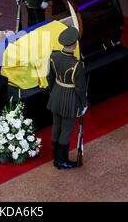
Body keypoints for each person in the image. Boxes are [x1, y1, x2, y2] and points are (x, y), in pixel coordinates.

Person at [47, 26, 87, 170]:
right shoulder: (77, 65)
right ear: (75, 44)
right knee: (66, 130)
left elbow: (49, 77)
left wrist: (54, 93)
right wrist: (84, 104)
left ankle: (56, 159)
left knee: (56, 126)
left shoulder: (54, 56)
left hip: (56, 94)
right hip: (70, 99)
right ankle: (62, 161)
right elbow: (80, 88)